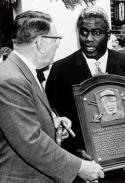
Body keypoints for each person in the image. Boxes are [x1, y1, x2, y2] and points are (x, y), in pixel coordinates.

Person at [45, 6, 125, 183]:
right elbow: (53, 121)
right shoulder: (60, 70)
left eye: (96, 32)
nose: (89, 39)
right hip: (86, 173)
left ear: (108, 34)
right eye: (84, 32)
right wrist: (75, 155)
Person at [0, 10, 104, 183]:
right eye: (56, 39)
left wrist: (52, 121)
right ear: (41, 43)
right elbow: (31, 143)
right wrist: (79, 167)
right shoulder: (12, 79)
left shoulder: (20, 72)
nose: (57, 45)